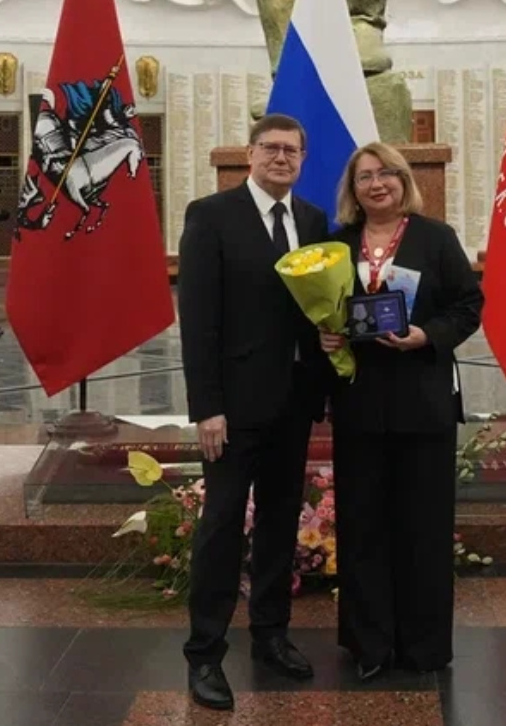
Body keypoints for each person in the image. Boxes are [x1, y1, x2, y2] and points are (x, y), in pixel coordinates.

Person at [177, 113, 332, 711]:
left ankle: (270, 635)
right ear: (250, 154)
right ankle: (205, 654)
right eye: (271, 148)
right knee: (221, 526)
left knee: (278, 522)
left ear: (303, 159)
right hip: (233, 409)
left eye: (292, 150)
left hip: (293, 403)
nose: (281, 158)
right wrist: (207, 407)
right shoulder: (211, 216)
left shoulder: (312, 221)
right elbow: (199, 321)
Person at [319, 141, 483, 680]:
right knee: (361, 526)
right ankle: (369, 644)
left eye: (387, 173)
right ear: (353, 189)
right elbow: (319, 313)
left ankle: (423, 647)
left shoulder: (436, 238)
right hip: (359, 403)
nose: (377, 183)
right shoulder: (337, 246)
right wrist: (325, 336)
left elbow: (468, 306)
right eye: (365, 176)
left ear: (404, 180)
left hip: (423, 402)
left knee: (424, 528)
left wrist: (426, 335)